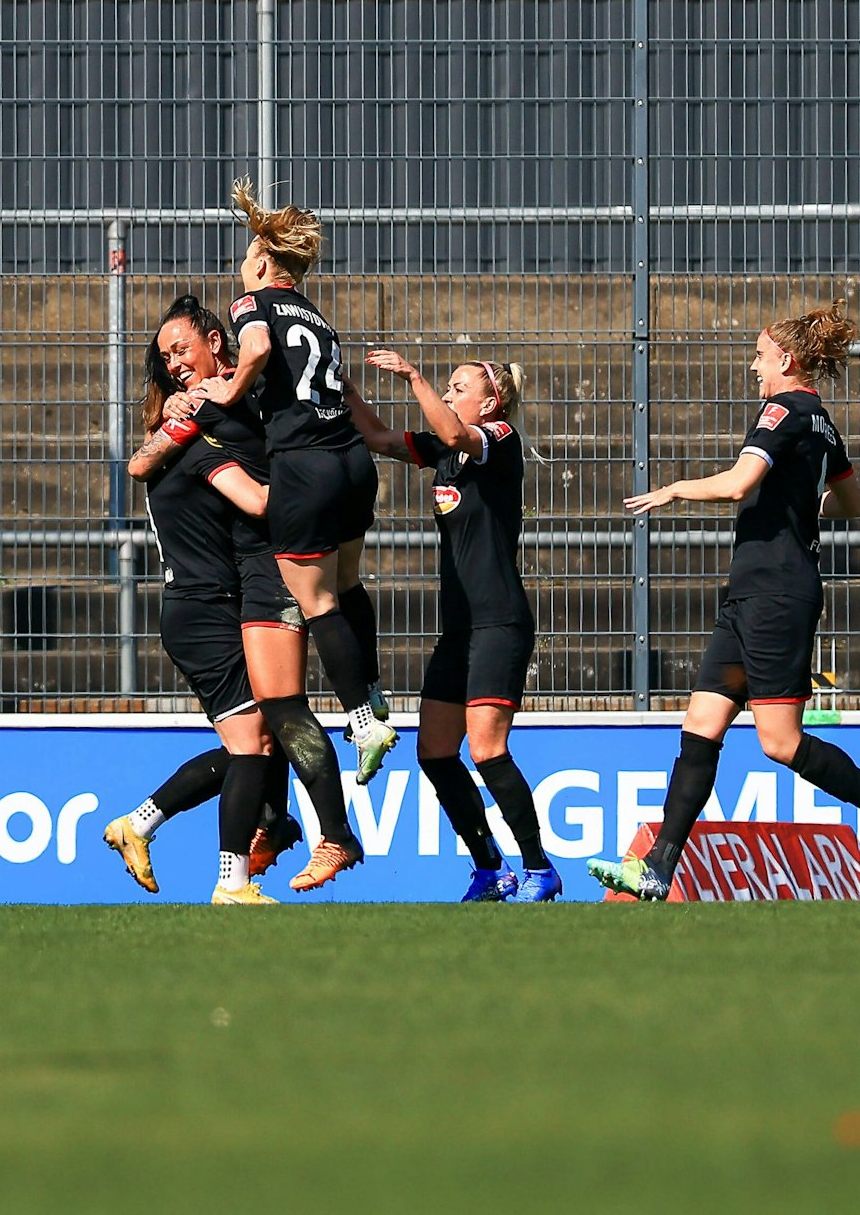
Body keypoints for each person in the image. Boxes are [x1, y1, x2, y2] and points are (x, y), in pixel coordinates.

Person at [587, 302, 860, 902]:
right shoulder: (822, 419)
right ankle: (657, 871)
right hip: (753, 590)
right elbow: (853, 504)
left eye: (759, 355)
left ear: (786, 360)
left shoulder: (783, 409)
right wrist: (803, 511)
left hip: (776, 592)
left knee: (780, 741)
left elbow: (739, 483)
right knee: (701, 725)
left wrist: (674, 490)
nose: (753, 366)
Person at [105, 295, 366, 898]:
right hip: (213, 602)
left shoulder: (226, 406)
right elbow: (253, 500)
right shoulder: (197, 436)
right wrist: (317, 487)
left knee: (262, 734)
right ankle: (252, 866)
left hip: (221, 598)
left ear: (214, 343)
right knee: (262, 735)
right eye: (164, 357)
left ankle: (246, 835)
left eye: (180, 349)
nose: (173, 363)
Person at [187, 179, 395, 786]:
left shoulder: (253, 304)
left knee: (316, 601)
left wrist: (225, 390)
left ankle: (363, 721)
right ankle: (374, 691)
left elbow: (251, 349)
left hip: (303, 465)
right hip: (353, 463)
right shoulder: (318, 317)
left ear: (262, 260)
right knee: (349, 583)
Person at [350, 351, 562, 903]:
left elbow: (454, 431)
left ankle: (539, 868)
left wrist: (414, 378)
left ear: (490, 401)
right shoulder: (444, 450)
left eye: (458, 386)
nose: (447, 394)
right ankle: (490, 867)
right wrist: (335, 383)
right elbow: (377, 436)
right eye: (444, 385)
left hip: (499, 622)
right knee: (435, 751)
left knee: (488, 751)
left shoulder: (499, 439)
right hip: (460, 630)